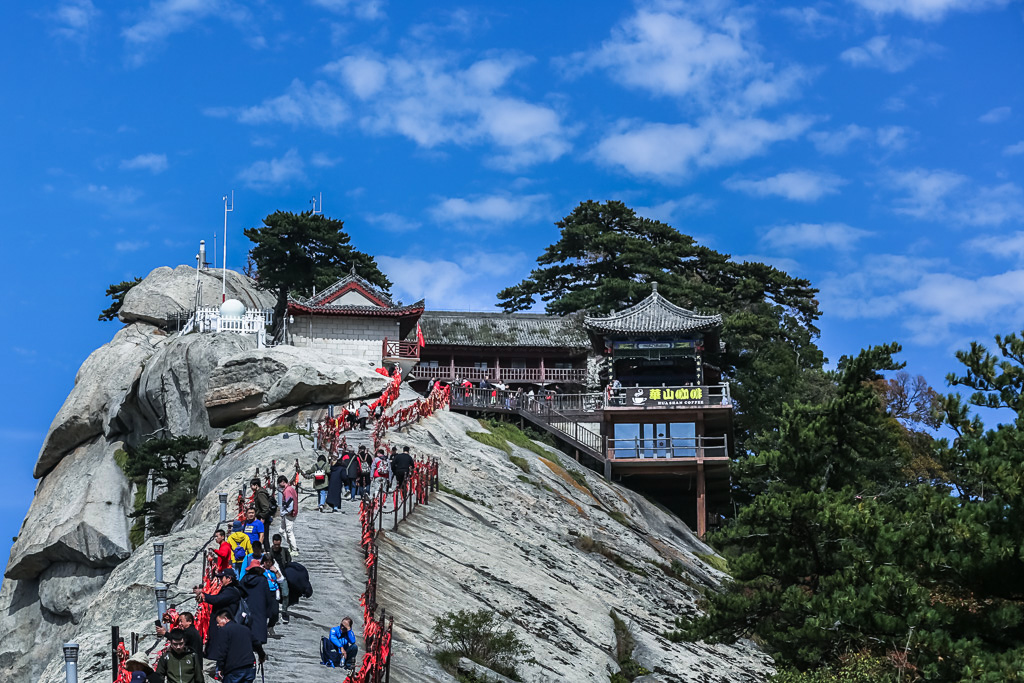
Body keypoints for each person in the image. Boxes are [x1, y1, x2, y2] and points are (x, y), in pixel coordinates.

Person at [239, 559, 276, 662]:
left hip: (247, 608)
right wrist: (268, 612)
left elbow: (239, 593)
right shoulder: (263, 580)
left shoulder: (244, 579)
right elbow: (268, 597)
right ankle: (258, 648)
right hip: (260, 609)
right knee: (257, 630)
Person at [208, 610, 256, 683]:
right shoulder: (245, 629)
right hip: (249, 667)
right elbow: (256, 643)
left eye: (218, 622)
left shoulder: (224, 630)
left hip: (234, 669)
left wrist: (220, 667)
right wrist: (261, 655)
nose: (218, 625)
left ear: (225, 618)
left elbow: (222, 651)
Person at [260, 553, 290, 625]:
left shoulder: (274, 569)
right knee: (263, 612)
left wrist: (276, 571)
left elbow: (280, 580)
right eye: (266, 562)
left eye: (269, 562)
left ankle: (270, 626)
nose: (268, 564)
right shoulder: (260, 569)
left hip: (274, 592)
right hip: (263, 593)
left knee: (275, 612)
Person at [276, 476, 300, 553]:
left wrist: (286, 512)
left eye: (280, 483)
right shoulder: (291, 489)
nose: (279, 485)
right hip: (287, 514)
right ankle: (291, 545)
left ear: (283, 482)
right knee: (281, 530)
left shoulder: (287, 491)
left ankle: (294, 549)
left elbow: (290, 504)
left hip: (288, 514)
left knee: (289, 531)